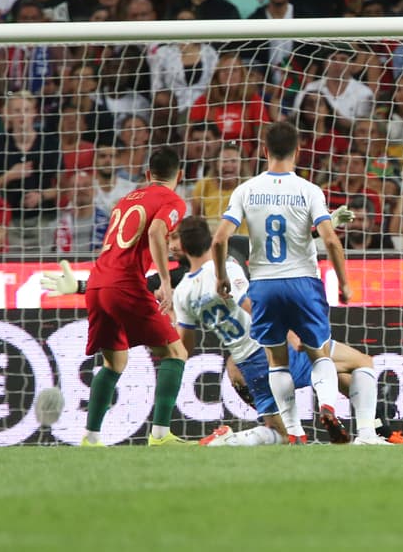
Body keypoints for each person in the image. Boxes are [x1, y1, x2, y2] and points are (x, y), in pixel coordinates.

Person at [211, 121, 352, 445]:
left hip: (264, 285)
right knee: (320, 354)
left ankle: (295, 432)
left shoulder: (245, 190)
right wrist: (344, 282)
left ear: (264, 150)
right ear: (298, 151)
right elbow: (330, 240)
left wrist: (221, 276)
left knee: (277, 360)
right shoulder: (309, 190)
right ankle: (328, 405)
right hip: (303, 281)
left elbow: (219, 240)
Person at [80, 147, 191, 447]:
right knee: (175, 353)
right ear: (179, 176)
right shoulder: (173, 200)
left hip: (97, 283)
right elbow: (157, 232)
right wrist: (165, 281)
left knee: (114, 363)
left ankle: (91, 437)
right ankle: (159, 435)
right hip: (125, 284)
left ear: (146, 175)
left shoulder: (125, 200)